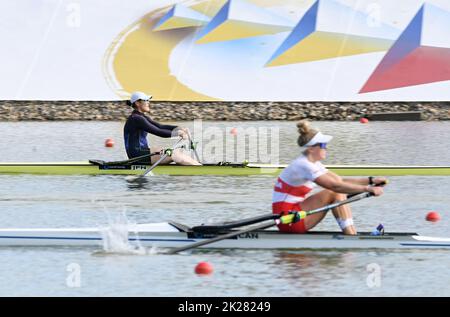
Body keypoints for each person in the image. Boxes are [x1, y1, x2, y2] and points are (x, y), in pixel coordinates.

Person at [272, 120, 386, 235]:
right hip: (288, 219)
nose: (326, 148)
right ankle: (351, 235)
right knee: (334, 192)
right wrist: (367, 189)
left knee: (337, 191)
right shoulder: (303, 165)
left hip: (294, 215)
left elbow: (339, 181)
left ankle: (351, 234)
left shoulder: (313, 163)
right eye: (323, 145)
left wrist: (370, 181)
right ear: (311, 148)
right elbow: (335, 186)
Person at [124, 91, 201, 165]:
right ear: (137, 103)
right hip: (138, 155)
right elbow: (158, 131)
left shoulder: (141, 117)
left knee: (176, 153)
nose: (148, 102)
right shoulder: (136, 119)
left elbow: (160, 126)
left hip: (141, 152)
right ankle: (201, 171)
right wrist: (178, 133)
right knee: (175, 155)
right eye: (146, 100)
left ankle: (197, 167)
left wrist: (179, 128)